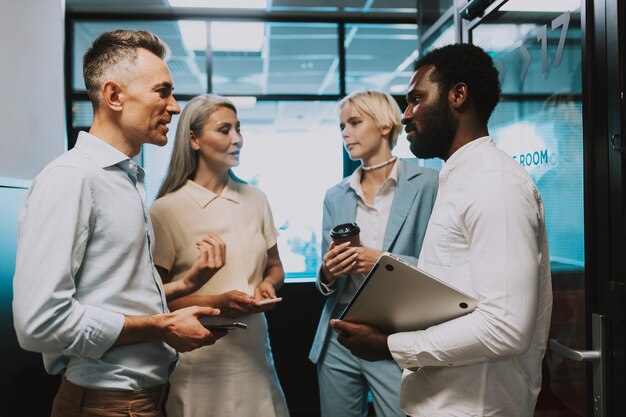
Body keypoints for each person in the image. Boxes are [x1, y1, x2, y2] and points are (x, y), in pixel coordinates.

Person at [12, 30, 229, 417]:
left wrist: (185, 287)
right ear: (114, 96)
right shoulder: (71, 178)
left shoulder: (125, 179)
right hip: (106, 404)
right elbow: (39, 323)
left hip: (144, 401)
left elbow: (112, 291)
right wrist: (161, 327)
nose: (175, 107)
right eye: (162, 92)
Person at [330, 44, 553, 417]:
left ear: (458, 96)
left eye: (416, 99)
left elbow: (505, 328)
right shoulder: (460, 177)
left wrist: (389, 345)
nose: (406, 115)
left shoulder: (492, 182)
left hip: (476, 406)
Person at [149, 93, 289, 417]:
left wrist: (268, 285)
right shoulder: (165, 210)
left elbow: (275, 266)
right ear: (194, 139)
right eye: (224, 130)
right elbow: (155, 302)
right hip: (199, 358)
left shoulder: (256, 198)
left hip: (255, 352)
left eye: (238, 129)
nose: (237, 138)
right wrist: (219, 301)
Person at [309, 90, 438, 417]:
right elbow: (324, 280)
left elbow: (440, 266)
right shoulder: (334, 195)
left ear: (384, 124)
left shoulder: (429, 184)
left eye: (354, 122)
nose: (345, 133)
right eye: (341, 126)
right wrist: (327, 271)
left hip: (393, 332)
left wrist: (382, 263)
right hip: (338, 331)